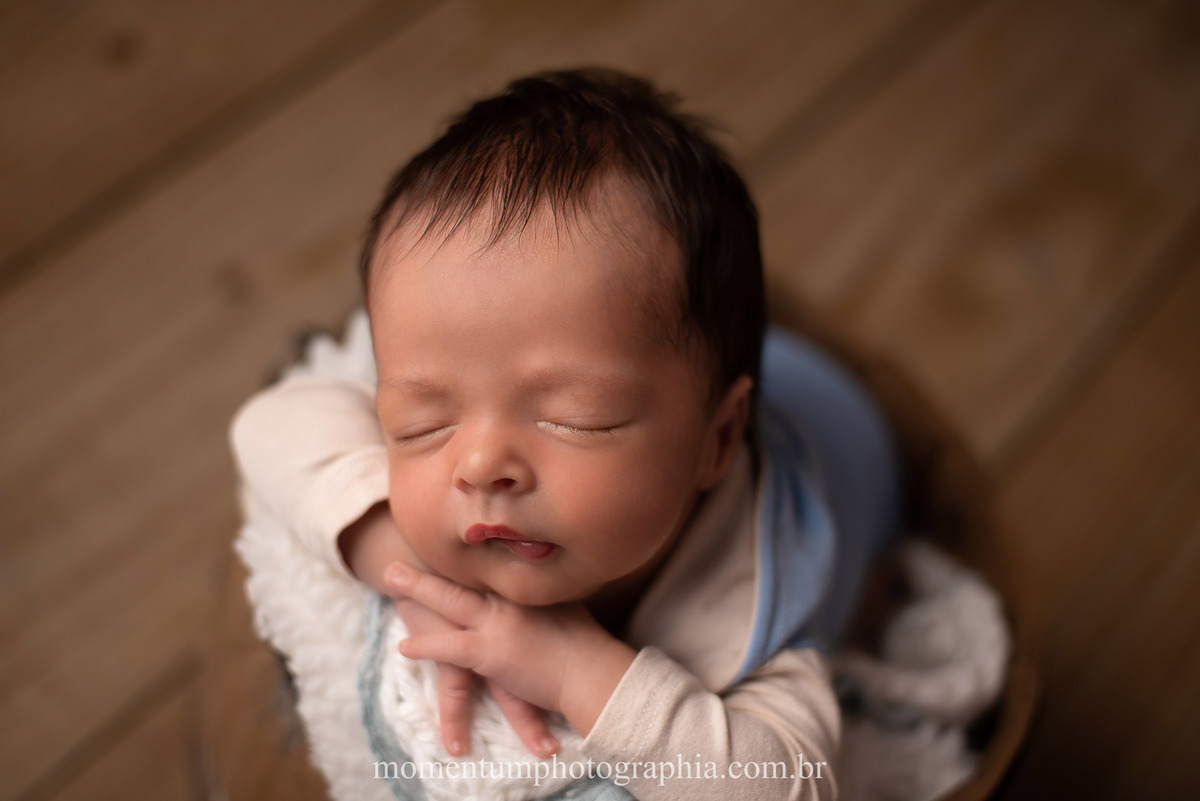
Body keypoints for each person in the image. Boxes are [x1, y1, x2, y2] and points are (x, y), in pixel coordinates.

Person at [231, 68, 902, 801]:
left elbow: (790, 785)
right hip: (703, 357)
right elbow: (266, 424)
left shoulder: (750, 596)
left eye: (576, 416)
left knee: (869, 609)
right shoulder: (462, 342)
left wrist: (578, 669)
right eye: (424, 422)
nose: (481, 462)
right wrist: (405, 570)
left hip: (845, 428)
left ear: (717, 441)